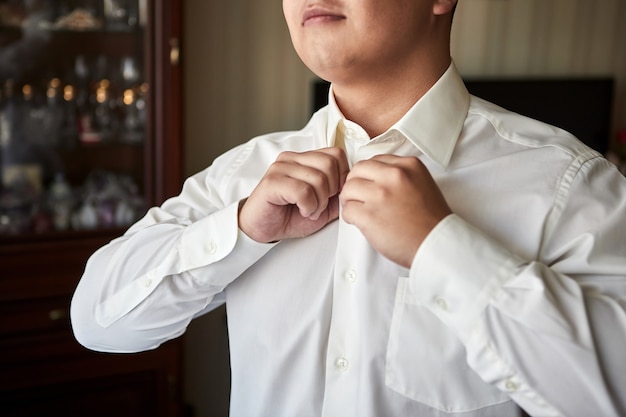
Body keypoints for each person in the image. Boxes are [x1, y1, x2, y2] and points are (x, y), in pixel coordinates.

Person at [70, 0, 626, 416]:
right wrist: (240, 229)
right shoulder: (245, 175)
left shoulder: (567, 184)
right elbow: (97, 321)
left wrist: (442, 249)